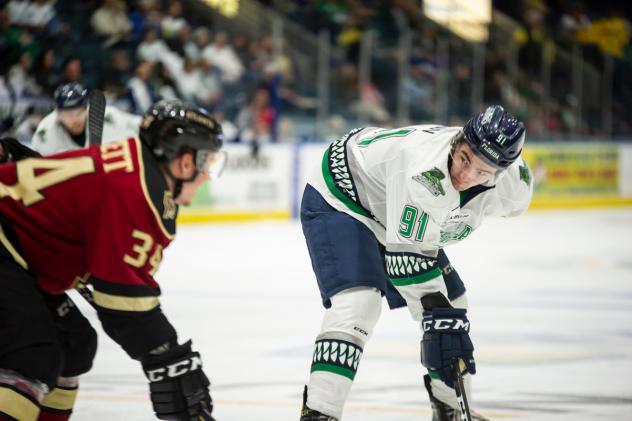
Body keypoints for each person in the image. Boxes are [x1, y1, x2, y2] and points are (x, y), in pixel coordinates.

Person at [299, 105, 534, 421]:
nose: (465, 175)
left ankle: (449, 408)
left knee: (453, 305)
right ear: (458, 141)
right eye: (464, 158)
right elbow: (406, 263)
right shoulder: (424, 171)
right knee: (359, 304)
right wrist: (439, 322)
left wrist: (443, 320)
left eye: (482, 171)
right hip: (345, 194)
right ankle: (319, 413)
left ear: (500, 172)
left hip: (394, 209)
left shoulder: (514, 187)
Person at [0, 100, 224, 421]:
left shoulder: (136, 175)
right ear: (186, 162)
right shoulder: (135, 193)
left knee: (74, 347)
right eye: (209, 163)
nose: (208, 175)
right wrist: (168, 357)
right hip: (7, 244)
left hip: (19, 253)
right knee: (30, 357)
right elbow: (123, 303)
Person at [31, 82, 142, 155]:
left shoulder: (108, 116)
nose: (75, 119)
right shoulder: (45, 133)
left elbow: (139, 125)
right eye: (69, 115)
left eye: (79, 113)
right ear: (58, 113)